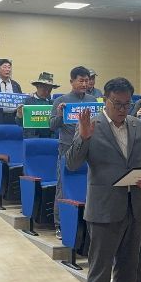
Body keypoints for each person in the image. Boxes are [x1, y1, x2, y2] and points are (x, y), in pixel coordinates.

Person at [66, 77, 141, 282]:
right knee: (100, 271)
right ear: (105, 100)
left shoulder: (140, 126)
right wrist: (84, 138)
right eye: (117, 104)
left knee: (128, 269)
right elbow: (71, 164)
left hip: (135, 207)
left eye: (127, 104)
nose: (122, 109)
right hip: (104, 209)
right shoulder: (91, 126)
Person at [50, 66, 96, 240]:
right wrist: (60, 114)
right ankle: (59, 224)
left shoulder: (92, 100)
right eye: (81, 80)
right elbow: (52, 126)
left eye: (86, 81)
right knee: (62, 186)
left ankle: (85, 223)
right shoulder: (61, 100)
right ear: (72, 81)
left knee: (88, 185)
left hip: (89, 149)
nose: (84, 84)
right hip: (67, 148)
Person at [16, 72, 59, 139]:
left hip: (49, 138)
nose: (47, 92)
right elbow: (20, 123)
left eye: (49, 90)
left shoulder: (53, 103)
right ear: (37, 86)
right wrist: (19, 114)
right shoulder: (27, 102)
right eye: (44, 89)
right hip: (31, 138)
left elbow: (56, 124)